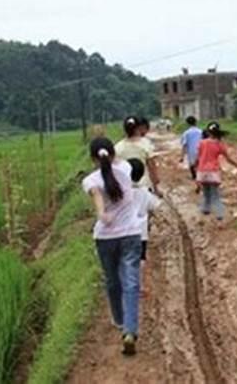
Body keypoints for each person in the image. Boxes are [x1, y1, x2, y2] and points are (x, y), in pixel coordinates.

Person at [82, 137, 142, 355]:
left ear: (92, 158)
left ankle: (119, 320)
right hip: (130, 235)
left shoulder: (90, 180)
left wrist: (101, 213)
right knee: (131, 282)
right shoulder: (125, 169)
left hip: (105, 238)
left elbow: (97, 196)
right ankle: (130, 330)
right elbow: (126, 167)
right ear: (113, 154)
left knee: (112, 280)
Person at [196, 121, 237, 220]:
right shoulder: (220, 145)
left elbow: (198, 158)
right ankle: (219, 214)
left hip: (202, 171)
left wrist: (195, 169)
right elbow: (228, 159)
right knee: (215, 194)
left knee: (205, 192)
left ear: (208, 132)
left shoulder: (202, 143)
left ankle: (205, 209)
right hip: (213, 172)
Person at [115, 116, 163, 197]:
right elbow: (151, 167)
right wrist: (156, 188)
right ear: (138, 128)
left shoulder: (117, 147)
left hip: (125, 188)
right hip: (144, 186)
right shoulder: (146, 144)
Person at [126, 158, 160, 264]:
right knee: (141, 260)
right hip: (141, 234)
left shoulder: (121, 193)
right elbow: (156, 205)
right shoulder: (145, 193)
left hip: (123, 233)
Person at [179, 116, 203, 180]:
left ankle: (196, 180)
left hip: (191, 153)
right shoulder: (201, 132)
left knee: (192, 167)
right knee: (201, 167)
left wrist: (182, 156)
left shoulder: (186, 133)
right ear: (196, 122)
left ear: (187, 123)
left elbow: (184, 145)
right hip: (201, 152)